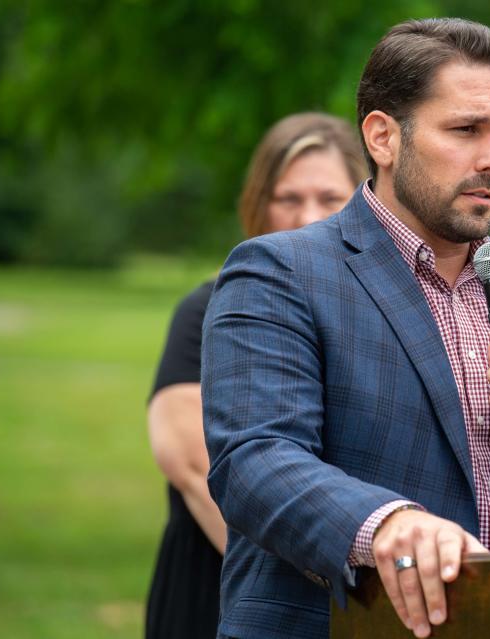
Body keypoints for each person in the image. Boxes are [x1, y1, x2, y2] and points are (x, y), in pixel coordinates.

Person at [202, 18, 490, 639]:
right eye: (466, 130)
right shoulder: (279, 272)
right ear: (382, 136)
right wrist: (389, 524)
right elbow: (255, 462)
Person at [144, 112, 367, 639]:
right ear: (258, 203)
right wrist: (324, 589)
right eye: (288, 198)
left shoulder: (372, 322)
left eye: (330, 197)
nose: (307, 215)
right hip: (230, 587)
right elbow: (194, 464)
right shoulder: (209, 309)